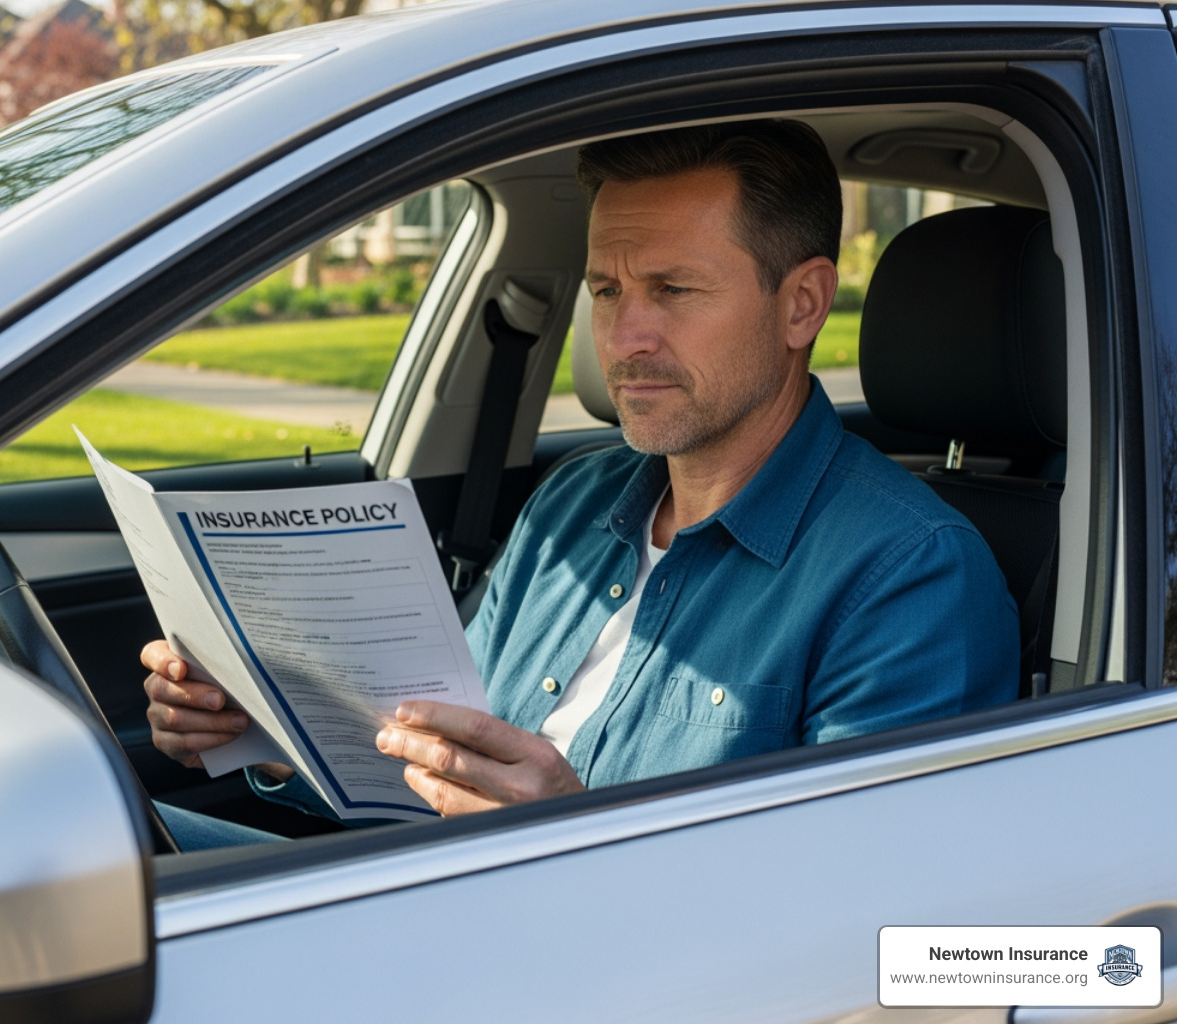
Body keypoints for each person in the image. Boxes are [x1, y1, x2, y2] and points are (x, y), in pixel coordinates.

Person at [142, 120, 1019, 842]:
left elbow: (864, 921)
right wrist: (263, 736)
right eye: (606, 290)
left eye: (673, 289)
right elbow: (430, 762)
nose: (624, 336)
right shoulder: (569, 507)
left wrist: (574, 835)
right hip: (422, 897)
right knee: (114, 855)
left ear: (803, 304)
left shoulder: (911, 574)